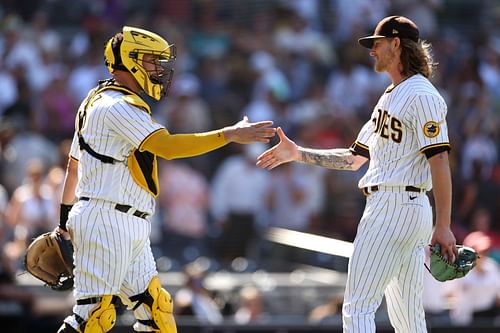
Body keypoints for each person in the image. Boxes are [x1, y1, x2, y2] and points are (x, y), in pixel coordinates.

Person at [55, 26, 275, 333]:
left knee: (157, 310)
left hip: (124, 220)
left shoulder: (98, 100)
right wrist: (228, 135)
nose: (158, 69)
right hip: (106, 219)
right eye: (150, 61)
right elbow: (167, 147)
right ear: (129, 60)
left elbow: (73, 167)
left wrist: (65, 221)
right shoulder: (116, 106)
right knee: (93, 317)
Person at [256, 16, 457, 333]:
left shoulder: (422, 94)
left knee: (358, 309)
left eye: (376, 44)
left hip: (392, 205)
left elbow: (440, 159)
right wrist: (298, 154)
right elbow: (353, 159)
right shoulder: (390, 97)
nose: (371, 51)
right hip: (407, 209)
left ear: (395, 43)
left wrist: (443, 224)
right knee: (407, 318)